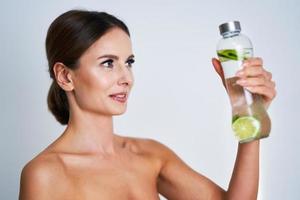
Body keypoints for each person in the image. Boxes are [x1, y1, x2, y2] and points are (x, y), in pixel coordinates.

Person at [19, 9, 276, 200]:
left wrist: (249, 111)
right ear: (66, 76)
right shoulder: (45, 173)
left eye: (128, 62)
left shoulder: (150, 155)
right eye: (108, 63)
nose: (126, 78)